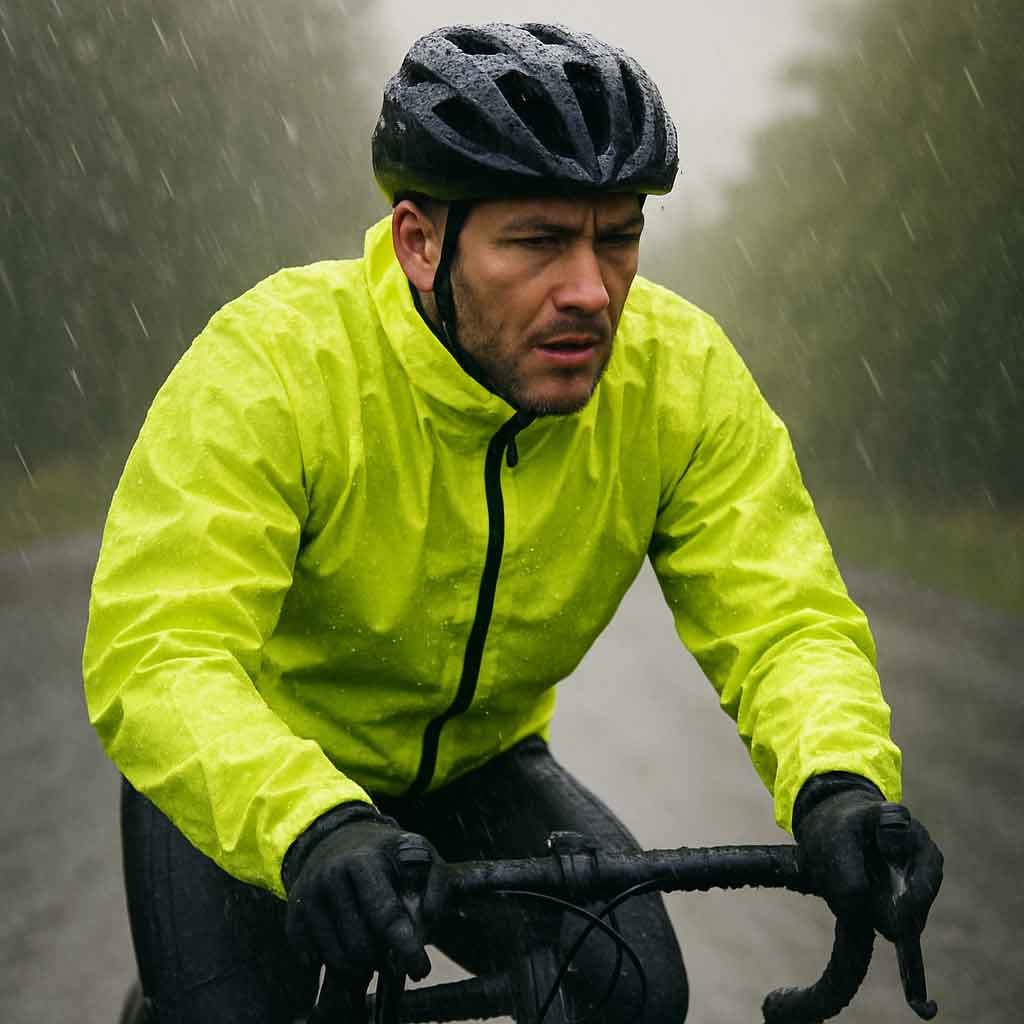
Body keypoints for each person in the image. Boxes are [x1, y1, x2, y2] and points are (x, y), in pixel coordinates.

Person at [83, 22, 942, 1024]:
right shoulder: (273, 366)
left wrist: (837, 782)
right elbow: (159, 650)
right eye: (538, 241)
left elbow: (782, 614)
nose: (589, 290)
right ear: (419, 242)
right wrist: (310, 824)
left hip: (469, 770)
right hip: (255, 771)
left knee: (629, 987)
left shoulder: (678, 376)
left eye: (617, 237)